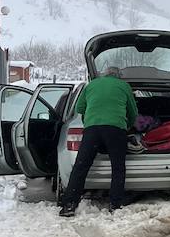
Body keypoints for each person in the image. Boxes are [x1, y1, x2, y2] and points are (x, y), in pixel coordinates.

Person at [58, 66, 137, 218]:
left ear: (104, 75)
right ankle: (115, 204)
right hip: (115, 130)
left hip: (92, 130)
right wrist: (127, 126)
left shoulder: (92, 84)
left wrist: (89, 121)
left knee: (81, 166)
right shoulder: (124, 86)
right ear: (118, 76)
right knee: (118, 168)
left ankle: (69, 204)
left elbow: (80, 107)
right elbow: (132, 112)